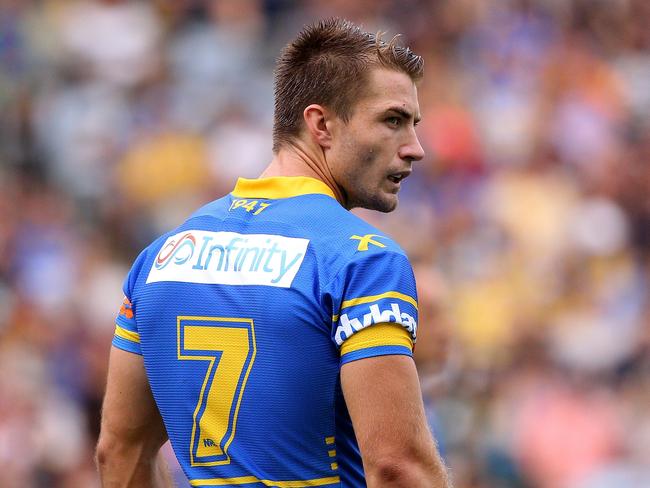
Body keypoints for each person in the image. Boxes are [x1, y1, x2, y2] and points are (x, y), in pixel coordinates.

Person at [96, 18, 451, 488]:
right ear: (321, 124)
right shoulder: (361, 260)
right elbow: (397, 467)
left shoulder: (159, 257)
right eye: (392, 120)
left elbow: (118, 452)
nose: (415, 148)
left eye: (413, 124)